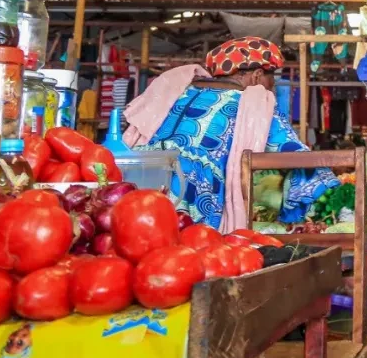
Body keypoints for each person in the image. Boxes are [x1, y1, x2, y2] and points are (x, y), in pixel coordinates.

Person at [124, 38, 336, 229]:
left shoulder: (179, 92)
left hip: (139, 185)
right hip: (193, 195)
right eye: (272, 79)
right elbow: (293, 154)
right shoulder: (255, 103)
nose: (272, 87)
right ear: (257, 75)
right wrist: (325, 181)